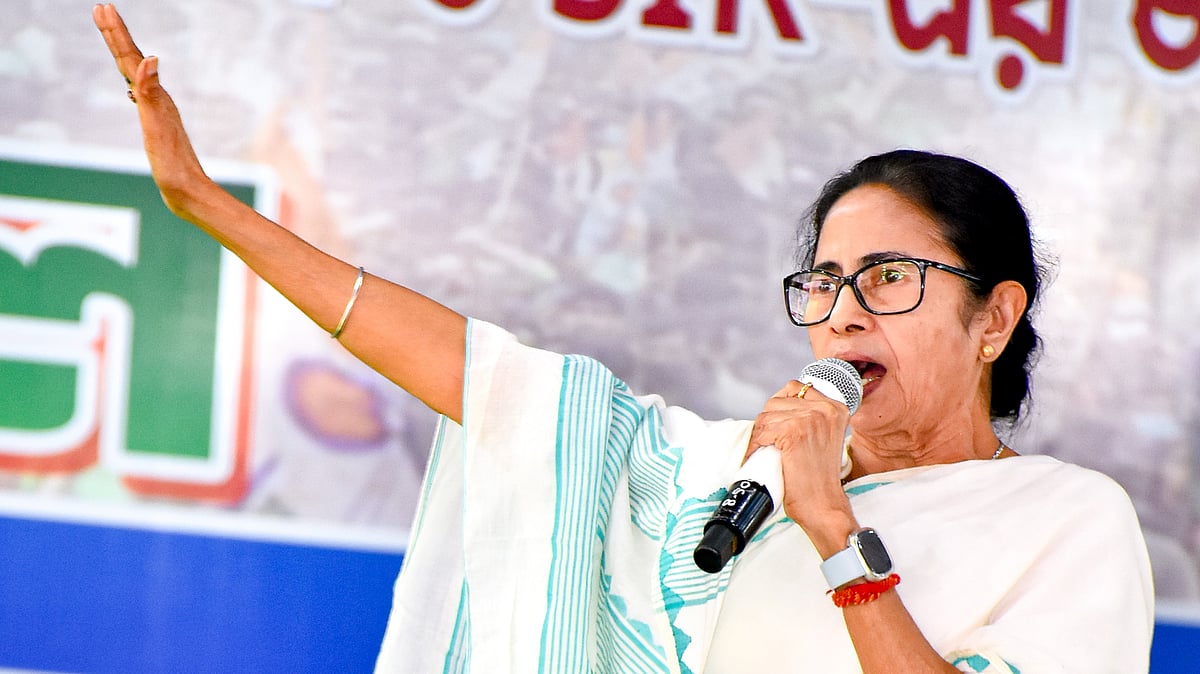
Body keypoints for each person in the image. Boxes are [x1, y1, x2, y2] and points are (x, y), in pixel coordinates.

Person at [93, 4, 1154, 672]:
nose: (843, 312)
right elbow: (485, 381)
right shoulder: (731, 484)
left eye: (887, 278)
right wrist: (211, 209)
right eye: (825, 282)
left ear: (995, 317)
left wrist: (839, 539)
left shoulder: (1066, 519)